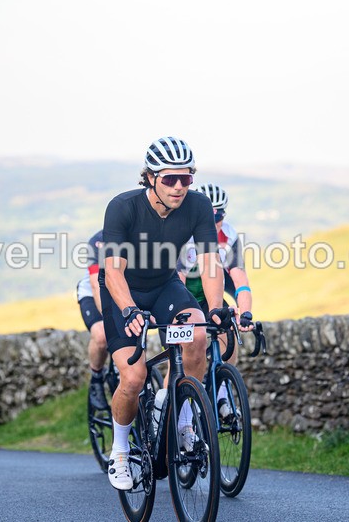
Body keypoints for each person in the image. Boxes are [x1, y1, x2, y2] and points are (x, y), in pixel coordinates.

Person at [99, 136, 232, 490]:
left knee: (199, 335)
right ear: (150, 178)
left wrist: (217, 308)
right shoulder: (123, 207)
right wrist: (128, 310)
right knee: (133, 377)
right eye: (170, 179)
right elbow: (112, 271)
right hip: (122, 291)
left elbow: (209, 262)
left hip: (163, 286)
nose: (178, 187)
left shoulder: (198, 206)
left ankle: (183, 421)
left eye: (186, 178)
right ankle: (121, 451)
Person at [178, 183, 254, 418]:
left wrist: (246, 312)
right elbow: (177, 280)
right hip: (182, 298)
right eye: (208, 216)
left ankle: (222, 394)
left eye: (218, 215)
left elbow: (240, 280)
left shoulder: (229, 236)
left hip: (210, 297)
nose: (214, 222)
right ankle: (175, 415)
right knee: (181, 359)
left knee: (228, 328)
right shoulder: (183, 235)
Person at [76, 230, 109, 410]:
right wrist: (110, 318)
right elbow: (96, 285)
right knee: (102, 335)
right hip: (93, 293)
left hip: (123, 293)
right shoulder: (98, 241)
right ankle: (96, 378)